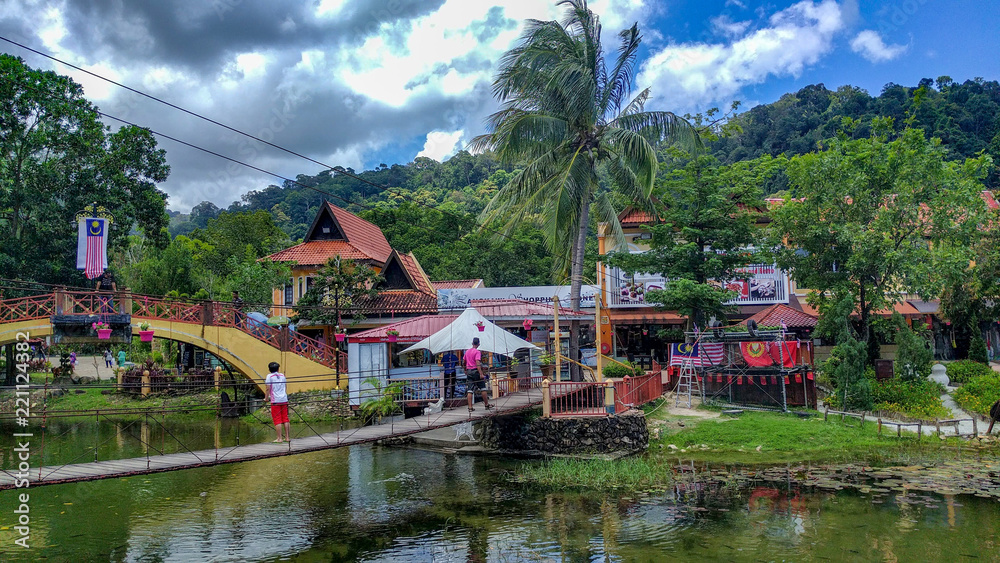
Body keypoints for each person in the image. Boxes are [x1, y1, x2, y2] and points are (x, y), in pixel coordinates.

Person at [465, 337, 493, 412]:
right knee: (483, 388)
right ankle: (486, 404)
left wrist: (465, 369)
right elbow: (477, 362)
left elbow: (464, 361)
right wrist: (481, 373)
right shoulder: (477, 352)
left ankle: (470, 407)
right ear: (479, 344)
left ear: (472, 343)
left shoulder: (467, 351)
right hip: (475, 371)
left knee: (470, 390)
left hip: (469, 371)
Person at [265, 361, 290, 442]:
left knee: (277, 419)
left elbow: (268, 388)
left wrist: (266, 398)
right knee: (285, 418)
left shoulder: (269, 376)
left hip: (275, 400)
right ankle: (287, 438)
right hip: (284, 399)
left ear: (269, 369)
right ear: (278, 369)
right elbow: (285, 386)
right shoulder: (282, 375)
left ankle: (279, 438)